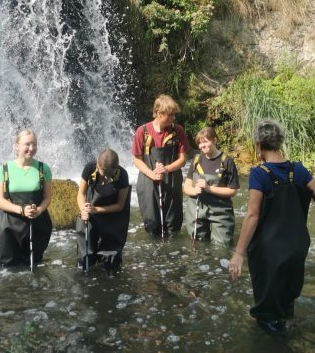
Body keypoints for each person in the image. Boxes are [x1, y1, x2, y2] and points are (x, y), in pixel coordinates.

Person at [229, 118, 315, 334]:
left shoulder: (260, 174)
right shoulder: (299, 170)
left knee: (268, 314)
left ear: (258, 145)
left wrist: (239, 253)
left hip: (269, 252)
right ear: (279, 142)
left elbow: (252, 215)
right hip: (297, 248)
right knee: (287, 302)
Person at [132, 94, 191, 237]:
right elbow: (136, 159)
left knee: (173, 222)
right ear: (159, 114)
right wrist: (151, 173)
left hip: (172, 179)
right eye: (170, 115)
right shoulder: (143, 131)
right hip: (148, 180)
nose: (173, 118)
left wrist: (166, 169)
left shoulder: (178, 131)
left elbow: (183, 159)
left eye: (174, 115)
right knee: (152, 223)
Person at [0, 129, 53, 266]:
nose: (31, 148)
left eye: (34, 145)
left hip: (37, 222)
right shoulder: (4, 169)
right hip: (8, 225)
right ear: (17, 146)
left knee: (34, 265)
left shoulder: (44, 169)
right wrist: (21, 210)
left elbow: (47, 198)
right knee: (8, 266)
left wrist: (39, 210)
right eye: (27, 144)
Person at [75, 149, 131, 271]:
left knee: (111, 264)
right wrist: (83, 209)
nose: (105, 177)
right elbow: (80, 194)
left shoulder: (122, 175)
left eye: (109, 175)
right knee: (86, 261)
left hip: (113, 215)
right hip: (91, 214)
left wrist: (97, 209)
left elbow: (120, 205)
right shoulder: (90, 168)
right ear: (97, 164)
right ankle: (87, 262)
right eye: (103, 173)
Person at [183, 127, 239, 246]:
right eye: (199, 143)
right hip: (196, 211)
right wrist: (194, 191)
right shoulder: (196, 160)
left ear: (214, 140)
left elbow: (232, 191)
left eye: (205, 141)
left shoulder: (227, 161)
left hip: (220, 211)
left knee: (222, 247)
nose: (202, 146)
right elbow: (186, 186)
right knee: (198, 245)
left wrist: (209, 188)